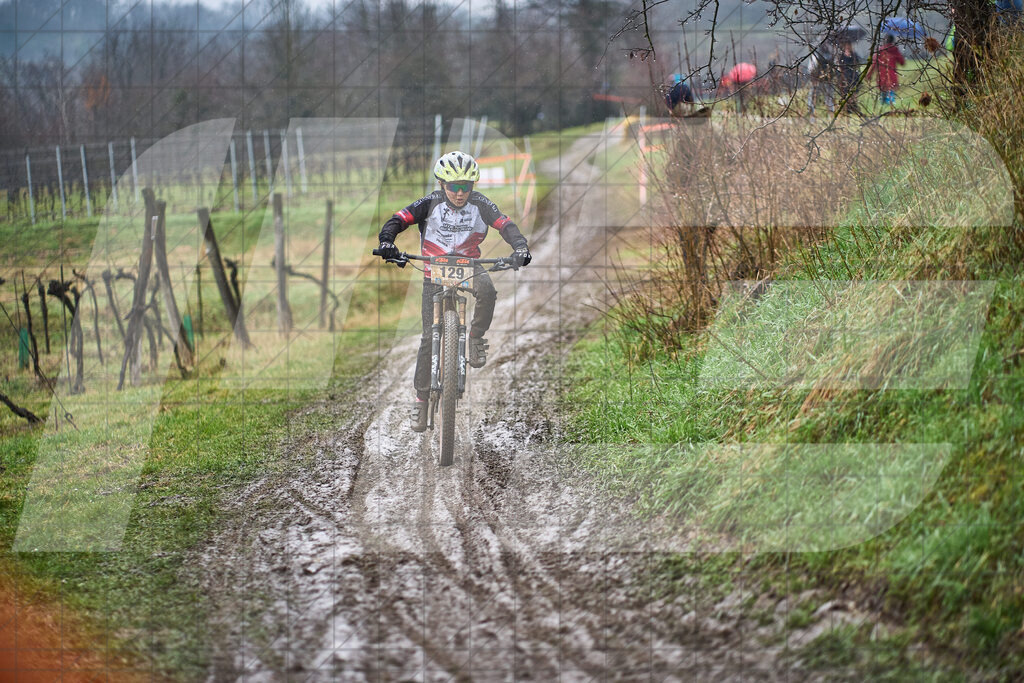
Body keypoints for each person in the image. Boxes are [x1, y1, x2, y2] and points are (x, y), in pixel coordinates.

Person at [377, 150, 532, 432]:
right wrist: (387, 241)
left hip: (469, 265)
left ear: (472, 186)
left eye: (466, 187)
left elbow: (505, 225)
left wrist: (520, 246)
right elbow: (397, 220)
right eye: (453, 187)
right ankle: (421, 400)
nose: (460, 193)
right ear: (442, 185)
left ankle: (474, 338)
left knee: (488, 292)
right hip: (434, 269)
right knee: (427, 338)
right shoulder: (430, 203)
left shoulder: (481, 204)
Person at [865, 34, 906, 106]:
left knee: (882, 101)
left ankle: (884, 113)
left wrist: (869, 75)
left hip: (881, 78)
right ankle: (890, 112)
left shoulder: (880, 51)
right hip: (892, 77)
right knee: (890, 100)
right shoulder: (895, 50)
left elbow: (874, 64)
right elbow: (902, 62)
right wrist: (898, 52)